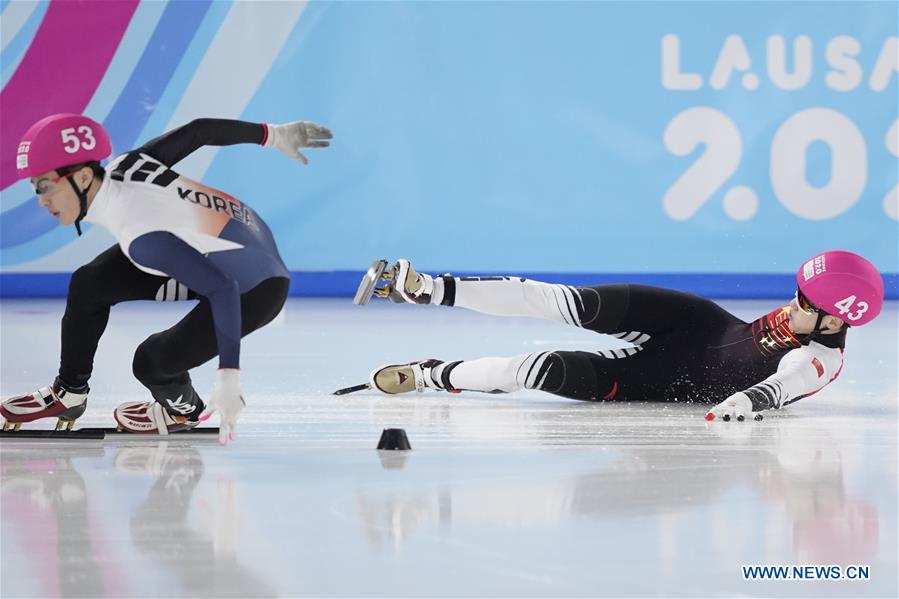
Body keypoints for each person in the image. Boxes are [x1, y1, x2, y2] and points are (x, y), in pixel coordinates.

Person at [1, 114, 331, 443]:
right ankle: (70, 392)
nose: (41, 201)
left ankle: (183, 410)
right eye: (35, 189)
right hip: (231, 241)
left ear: (84, 177)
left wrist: (229, 378)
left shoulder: (141, 237)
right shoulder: (127, 165)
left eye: (44, 186)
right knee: (89, 283)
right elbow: (199, 130)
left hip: (256, 286)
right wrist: (273, 135)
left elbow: (223, 288)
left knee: (151, 361)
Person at [359, 251, 884, 421]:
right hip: (697, 323)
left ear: (835, 322)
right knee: (562, 300)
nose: (794, 304)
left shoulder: (820, 358)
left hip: (666, 379)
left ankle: (432, 374)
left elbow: (778, 390)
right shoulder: (821, 317)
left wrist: (739, 408)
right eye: (797, 292)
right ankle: (424, 287)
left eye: (806, 304)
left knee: (532, 369)